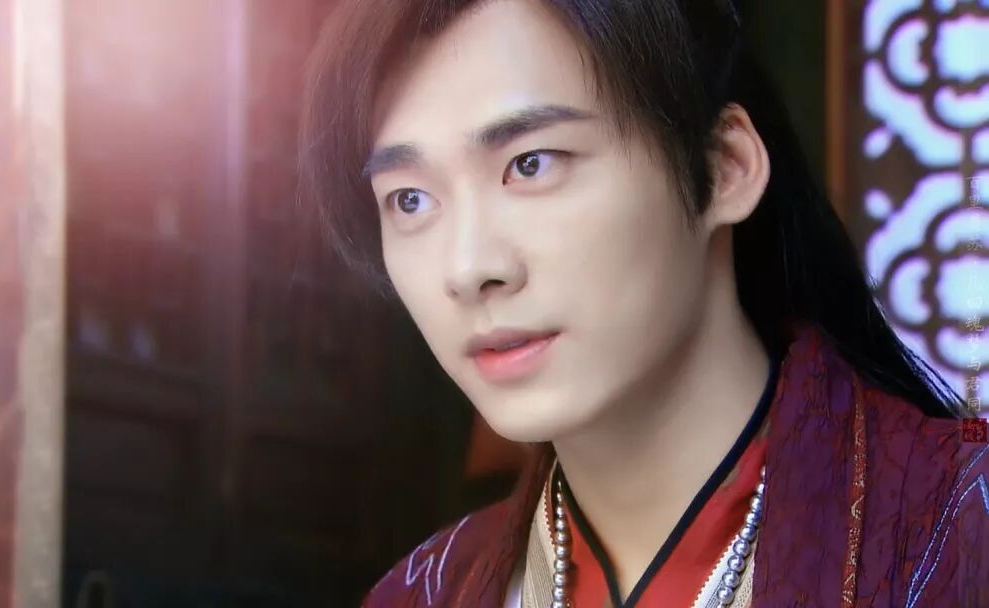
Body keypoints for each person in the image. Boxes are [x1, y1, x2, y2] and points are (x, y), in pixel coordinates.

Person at [297, 0, 989, 606]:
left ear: (724, 167)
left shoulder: (965, 531)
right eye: (409, 200)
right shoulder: (423, 593)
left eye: (531, 163)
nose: (470, 268)